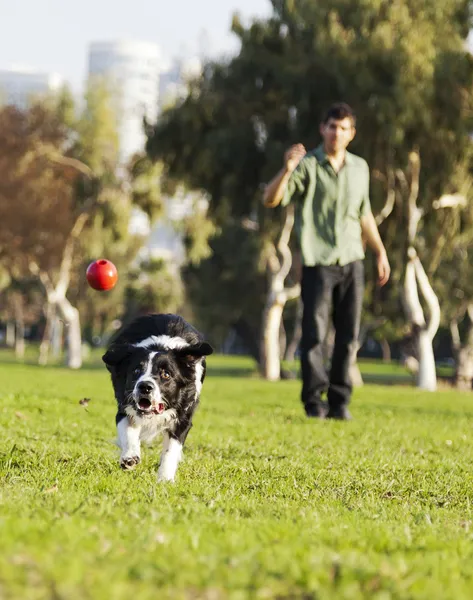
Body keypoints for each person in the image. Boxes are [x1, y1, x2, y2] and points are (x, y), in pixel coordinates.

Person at [263, 103, 390, 420]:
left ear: (352, 134)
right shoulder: (308, 165)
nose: (337, 132)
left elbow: (364, 215)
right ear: (323, 129)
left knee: (348, 336)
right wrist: (288, 168)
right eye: (332, 126)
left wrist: (380, 251)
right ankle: (314, 401)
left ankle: (339, 401)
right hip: (318, 262)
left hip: (352, 261)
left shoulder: (360, 168)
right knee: (315, 336)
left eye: (343, 127)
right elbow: (271, 198)